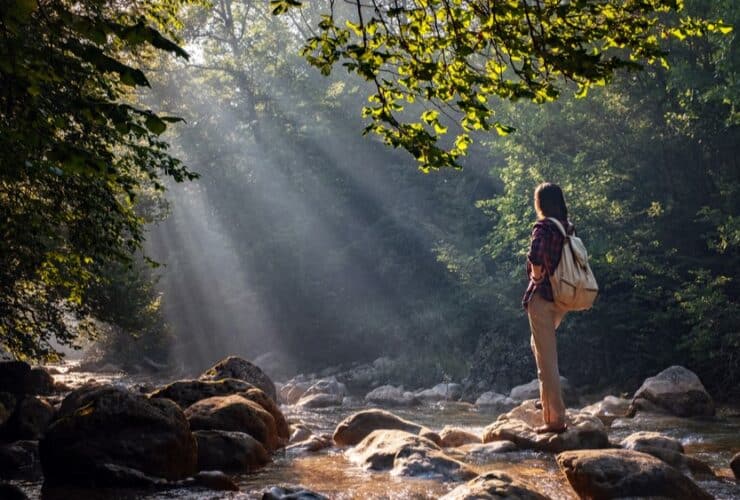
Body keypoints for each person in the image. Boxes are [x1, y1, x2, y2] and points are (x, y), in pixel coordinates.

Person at [522, 182, 574, 434]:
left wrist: (537, 275)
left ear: (540, 203)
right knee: (539, 347)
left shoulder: (543, 227)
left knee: (546, 361)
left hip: (542, 297)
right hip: (561, 297)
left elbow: (536, 253)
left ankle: (554, 420)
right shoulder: (566, 227)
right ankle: (547, 403)